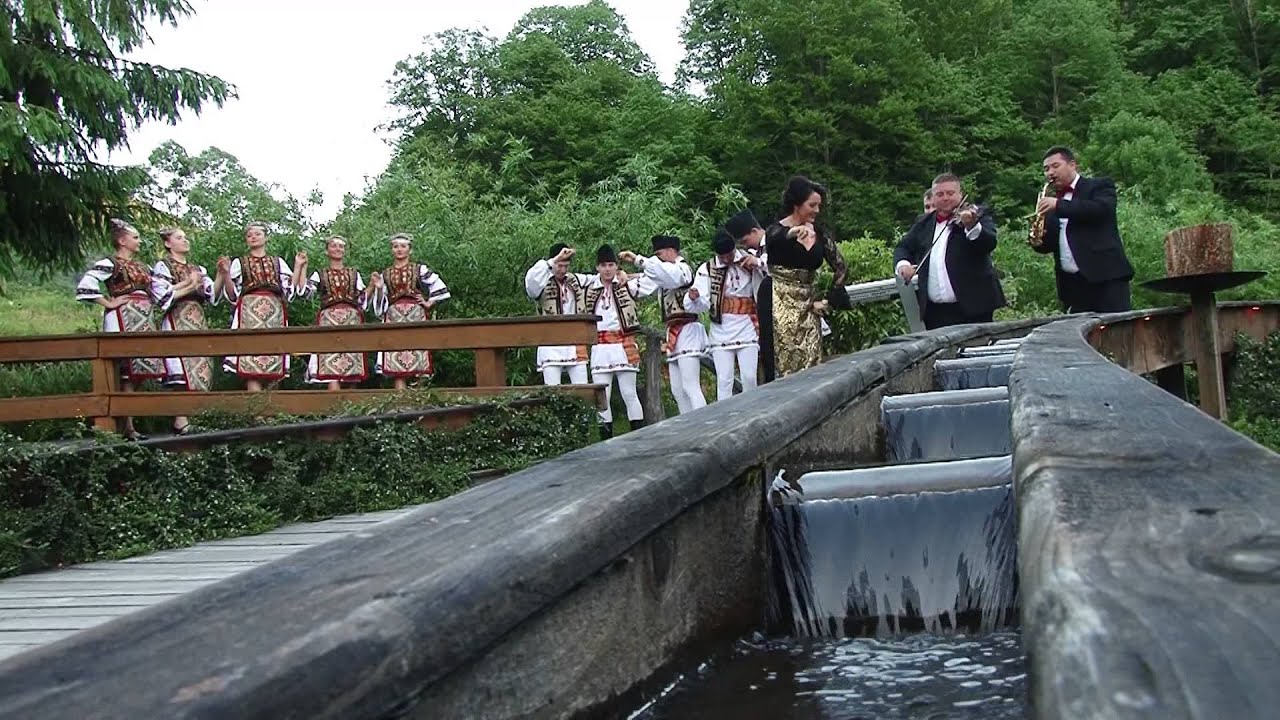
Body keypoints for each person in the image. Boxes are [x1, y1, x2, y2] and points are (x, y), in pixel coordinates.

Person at [75, 219, 170, 440]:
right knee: (126, 370)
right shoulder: (111, 263)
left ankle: (128, 425)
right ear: (121, 240)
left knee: (138, 371)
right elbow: (86, 284)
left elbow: (160, 293)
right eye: (135, 237)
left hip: (143, 317)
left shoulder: (143, 267)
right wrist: (108, 303)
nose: (139, 241)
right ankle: (127, 427)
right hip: (123, 317)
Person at [762, 176, 850, 378]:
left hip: (809, 304)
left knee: (812, 361)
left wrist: (828, 299)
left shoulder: (819, 233)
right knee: (780, 361)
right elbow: (773, 237)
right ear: (797, 204)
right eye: (812, 205)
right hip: (778, 300)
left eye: (819, 206)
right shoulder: (776, 230)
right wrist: (793, 232)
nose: (817, 211)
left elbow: (841, 267)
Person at [894, 173, 1005, 329]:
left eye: (950, 193)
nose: (945, 198)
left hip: (974, 308)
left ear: (960, 194)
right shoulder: (924, 222)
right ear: (933, 197)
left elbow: (989, 243)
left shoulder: (978, 215)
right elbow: (903, 247)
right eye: (940, 194)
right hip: (935, 312)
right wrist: (903, 265)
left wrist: (971, 226)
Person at [1033, 146, 1134, 313]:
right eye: (1046, 169)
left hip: (1106, 279)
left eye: (1055, 166)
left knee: (1116, 333)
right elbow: (1049, 246)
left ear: (1072, 165)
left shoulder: (1099, 186)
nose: (1050, 173)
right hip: (1072, 286)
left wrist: (1059, 205)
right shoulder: (1051, 201)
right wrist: (1038, 239)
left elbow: (1101, 210)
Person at [621, 235, 707, 414]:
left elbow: (669, 276)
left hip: (688, 329)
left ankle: (703, 422)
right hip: (672, 332)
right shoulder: (663, 274)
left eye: (659, 254)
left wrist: (639, 260)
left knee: (691, 385)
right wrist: (620, 280)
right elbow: (641, 286)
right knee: (677, 389)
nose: (657, 259)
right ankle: (688, 424)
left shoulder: (683, 269)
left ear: (670, 251)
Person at [218, 222, 306, 392]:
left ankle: (272, 414)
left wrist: (298, 266)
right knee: (250, 361)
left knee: (274, 358)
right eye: (249, 235)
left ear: (266, 237)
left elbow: (288, 290)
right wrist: (226, 274)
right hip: (249, 313)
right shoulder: (240, 262)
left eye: (257, 234)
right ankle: (258, 413)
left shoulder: (277, 262)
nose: (253, 237)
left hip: (274, 313)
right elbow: (232, 295)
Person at [584, 244, 657, 438]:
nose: (607, 269)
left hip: (623, 345)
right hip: (600, 347)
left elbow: (654, 279)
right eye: (603, 265)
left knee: (629, 393)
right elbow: (567, 278)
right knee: (602, 397)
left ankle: (638, 437)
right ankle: (605, 440)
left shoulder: (628, 284)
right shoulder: (589, 286)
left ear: (616, 266)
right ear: (597, 268)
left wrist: (630, 274)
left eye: (611, 265)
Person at [153, 226, 221, 435]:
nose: (185, 241)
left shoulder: (198, 268)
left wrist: (221, 273)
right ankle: (180, 420)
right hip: (177, 316)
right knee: (179, 366)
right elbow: (162, 294)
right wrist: (189, 285)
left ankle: (195, 416)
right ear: (168, 243)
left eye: (185, 237)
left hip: (197, 317)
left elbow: (211, 294)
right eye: (179, 238)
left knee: (200, 364)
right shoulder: (163, 266)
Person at [691, 227, 765, 402]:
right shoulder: (707, 268)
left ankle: (751, 412)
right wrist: (694, 297)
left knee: (749, 377)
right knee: (724, 380)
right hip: (721, 329)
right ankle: (725, 419)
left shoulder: (749, 260)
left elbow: (770, 273)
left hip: (747, 326)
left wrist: (757, 264)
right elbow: (702, 301)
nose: (726, 259)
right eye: (721, 256)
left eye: (729, 255)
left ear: (734, 249)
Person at [372, 233, 450, 390]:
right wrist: (379, 288)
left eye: (403, 246)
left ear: (410, 250)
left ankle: (419, 401)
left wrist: (428, 303)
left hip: (415, 315)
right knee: (396, 359)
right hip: (394, 316)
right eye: (396, 246)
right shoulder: (385, 274)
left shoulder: (419, 269)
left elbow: (438, 285)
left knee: (418, 355)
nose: (399, 249)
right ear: (392, 250)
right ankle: (401, 403)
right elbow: (381, 304)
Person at [300, 236, 376, 390]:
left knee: (352, 365)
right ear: (327, 251)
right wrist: (302, 267)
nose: (337, 249)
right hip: (329, 320)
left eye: (341, 246)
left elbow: (361, 299)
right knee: (331, 365)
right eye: (333, 246)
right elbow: (306, 292)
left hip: (351, 320)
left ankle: (352, 412)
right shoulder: (320, 274)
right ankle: (335, 411)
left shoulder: (354, 274)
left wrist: (372, 286)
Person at [524, 243, 590, 385]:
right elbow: (530, 284)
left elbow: (601, 279)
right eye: (559, 265)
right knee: (553, 391)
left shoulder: (576, 279)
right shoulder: (542, 281)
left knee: (583, 391)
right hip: (550, 343)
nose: (562, 270)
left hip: (574, 342)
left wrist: (621, 273)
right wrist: (554, 259)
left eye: (566, 266)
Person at [724, 208, 774, 383]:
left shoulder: (776, 240)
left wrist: (759, 263)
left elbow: (784, 268)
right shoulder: (753, 252)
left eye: (745, 241)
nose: (746, 246)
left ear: (754, 231)